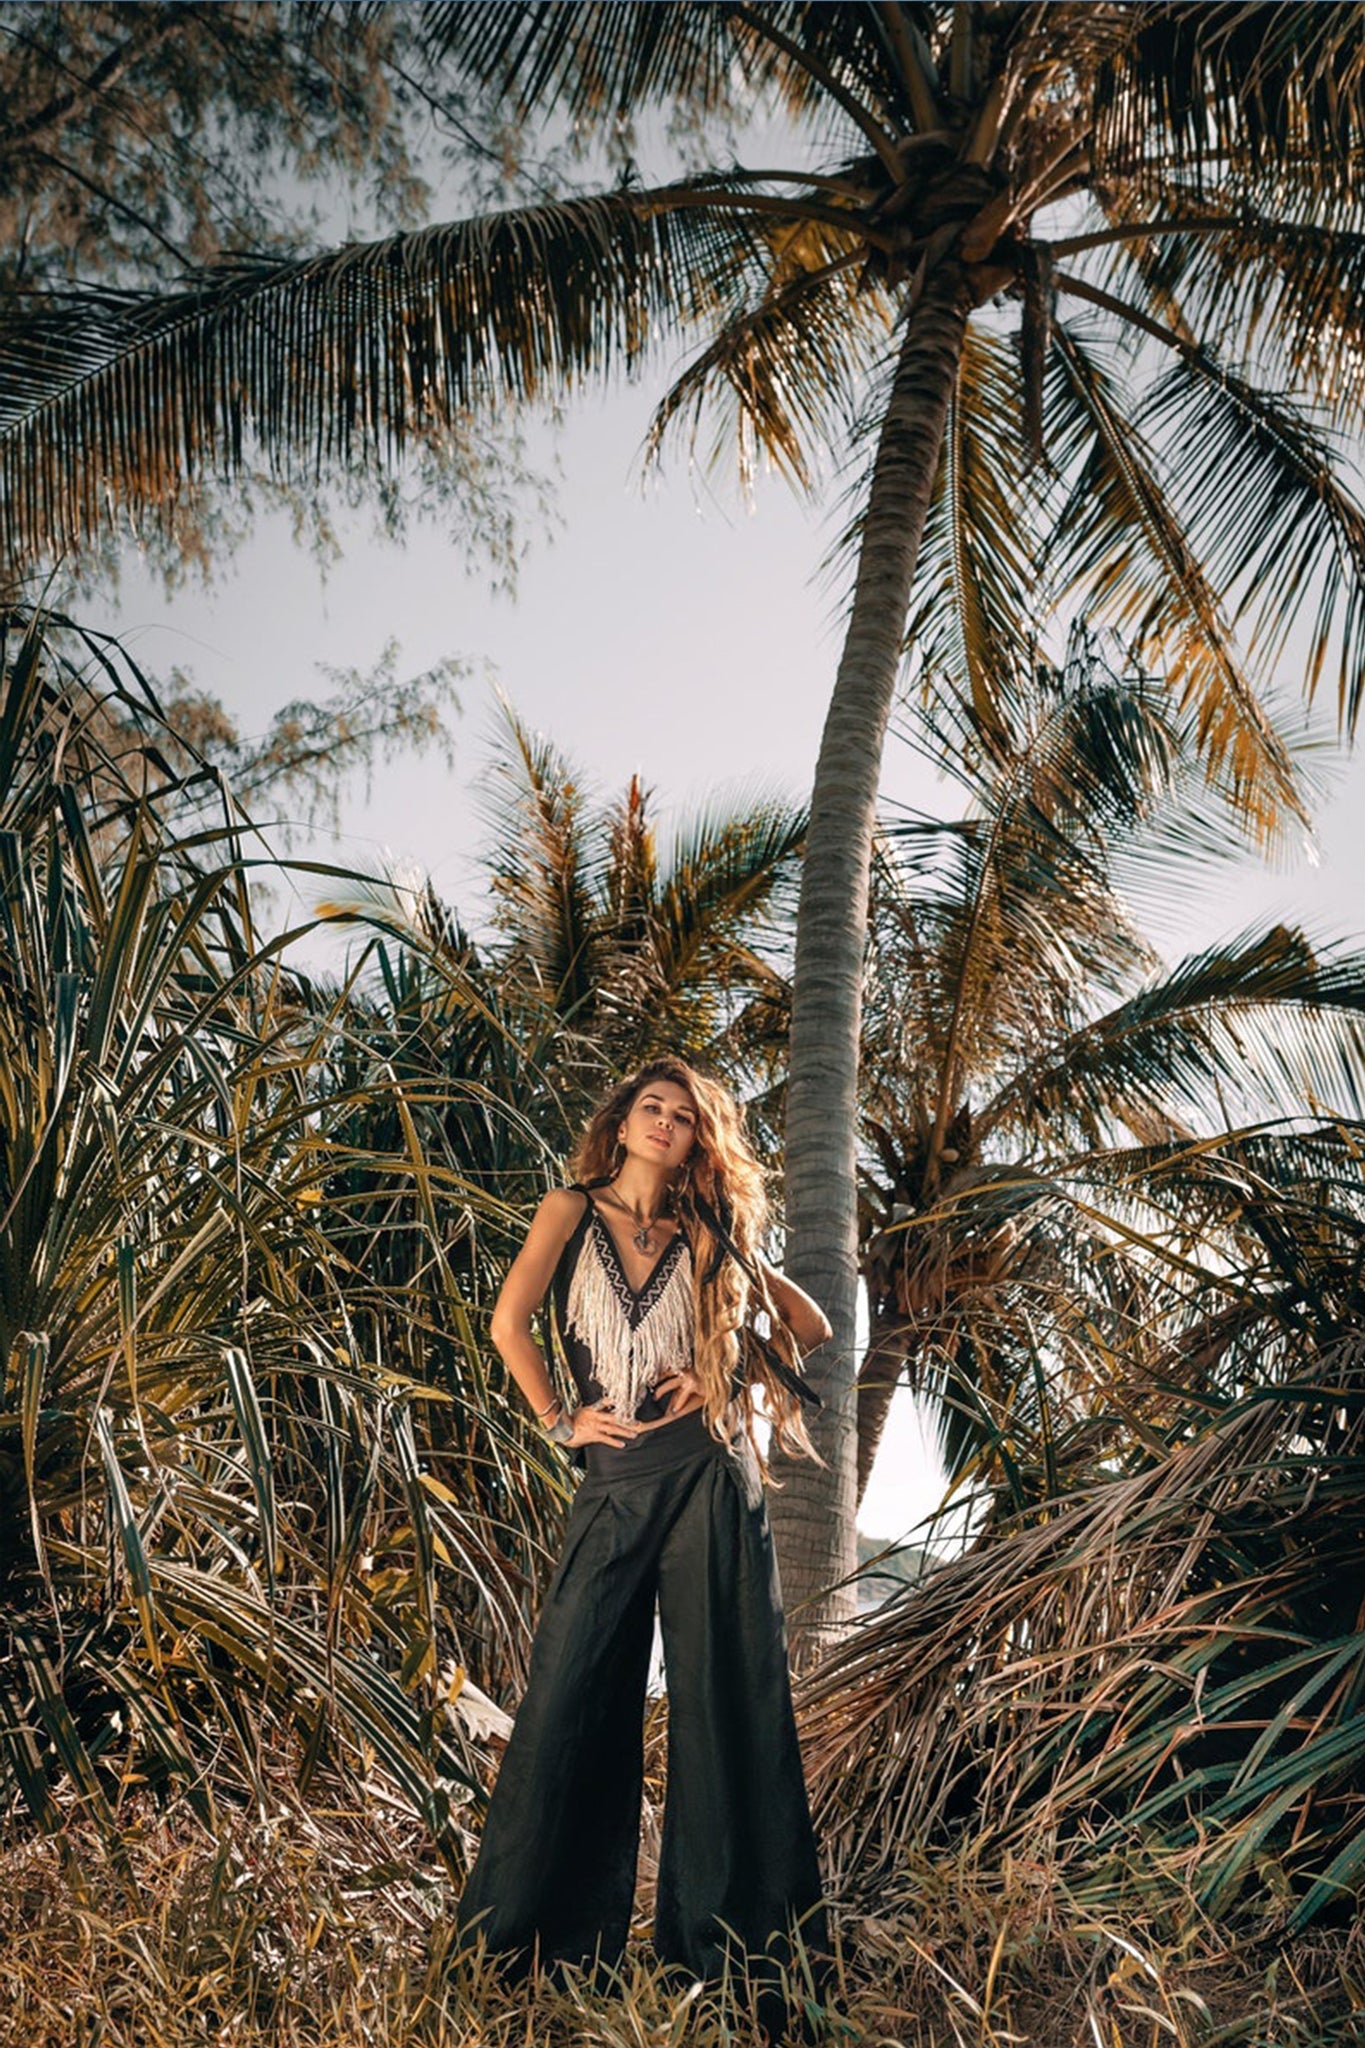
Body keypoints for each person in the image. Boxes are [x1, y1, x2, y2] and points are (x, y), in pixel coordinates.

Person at [454, 1055, 832, 2003]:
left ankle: (733, 1966)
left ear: (699, 1139)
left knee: (725, 1708)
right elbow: (509, 1323)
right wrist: (557, 1419)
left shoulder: (708, 1229)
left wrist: (730, 1367)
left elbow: (810, 1325)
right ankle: (529, 1956)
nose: (664, 1123)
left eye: (683, 1115)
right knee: (567, 1703)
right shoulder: (567, 1209)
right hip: (613, 1487)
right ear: (621, 1124)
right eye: (649, 1108)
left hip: (709, 1475)